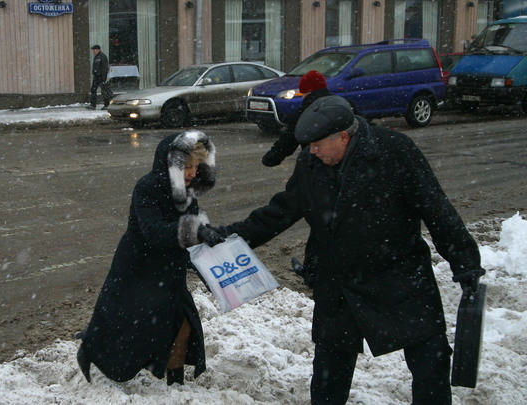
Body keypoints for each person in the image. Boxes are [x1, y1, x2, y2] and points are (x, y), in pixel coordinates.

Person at [216, 95, 484, 404]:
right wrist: (226, 237)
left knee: (429, 362)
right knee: (330, 370)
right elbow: (278, 212)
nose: (312, 152)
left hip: (399, 276)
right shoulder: (311, 163)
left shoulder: (394, 152)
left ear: (344, 137)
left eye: (317, 145)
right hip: (339, 282)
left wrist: (466, 263)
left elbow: (437, 211)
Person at [76, 130, 222, 386]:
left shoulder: (188, 192)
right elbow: (153, 232)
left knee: (182, 322)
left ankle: (175, 381)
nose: (192, 173)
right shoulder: (147, 187)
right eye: (186, 167)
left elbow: (190, 237)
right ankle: (91, 348)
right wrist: (196, 230)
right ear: (170, 165)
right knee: (129, 328)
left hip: (170, 271)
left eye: (197, 166)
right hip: (138, 268)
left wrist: (211, 264)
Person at [262, 70, 332, 167]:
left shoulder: (304, 112)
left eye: (303, 93)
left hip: (318, 163)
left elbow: (288, 141)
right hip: (345, 162)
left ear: (307, 92)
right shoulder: (342, 104)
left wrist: (271, 158)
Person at [86, 45, 113, 110]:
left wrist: (104, 77)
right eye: (93, 50)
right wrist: (94, 72)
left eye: (94, 50)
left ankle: (107, 105)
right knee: (93, 89)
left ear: (98, 50)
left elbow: (105, 68)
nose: (93, 52)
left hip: (101, 76)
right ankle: (93, 105)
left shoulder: (102, 57)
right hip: (96, 76)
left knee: (104, 91)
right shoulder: (96, 57)